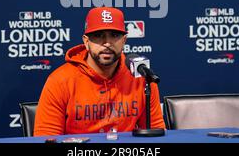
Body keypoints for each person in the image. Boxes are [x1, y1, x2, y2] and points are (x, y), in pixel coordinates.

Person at [33, 7, 165, 136]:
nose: (107, 43)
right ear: (86, 41)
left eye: (114, 35)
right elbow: (46, 137)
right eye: (98, 35)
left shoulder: (141, 76)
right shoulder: (60, 80)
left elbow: (156, 134)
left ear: (124, 40)